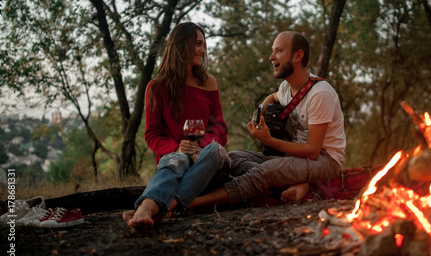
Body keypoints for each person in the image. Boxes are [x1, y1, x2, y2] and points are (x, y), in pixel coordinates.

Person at [187, 31, 345, 209]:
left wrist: (268, 140)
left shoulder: (320, 93)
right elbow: (275, 96)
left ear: (298, 56)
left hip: (325, 160)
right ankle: (297, 184)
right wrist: (262, 110)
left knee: (266, 171)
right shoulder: (286, 87)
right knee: (232, 157)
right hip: (297, 158)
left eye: (278, 50)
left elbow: (313, 151)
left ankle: (195, 203)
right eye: (272, 51)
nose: (271, 57)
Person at [123, 22, 229, 231]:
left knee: (216, 150)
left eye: (204, 45)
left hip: (205, 161)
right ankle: (150, 208)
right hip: (173, 161)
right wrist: (177, 148)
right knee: (179, 158)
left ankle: (155, 207)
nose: (203, 50)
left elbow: (220, 128)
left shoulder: (208, 82)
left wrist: (202, 147)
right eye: (198, 44)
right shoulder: (156, 87)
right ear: (182, 45)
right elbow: (152, 135)